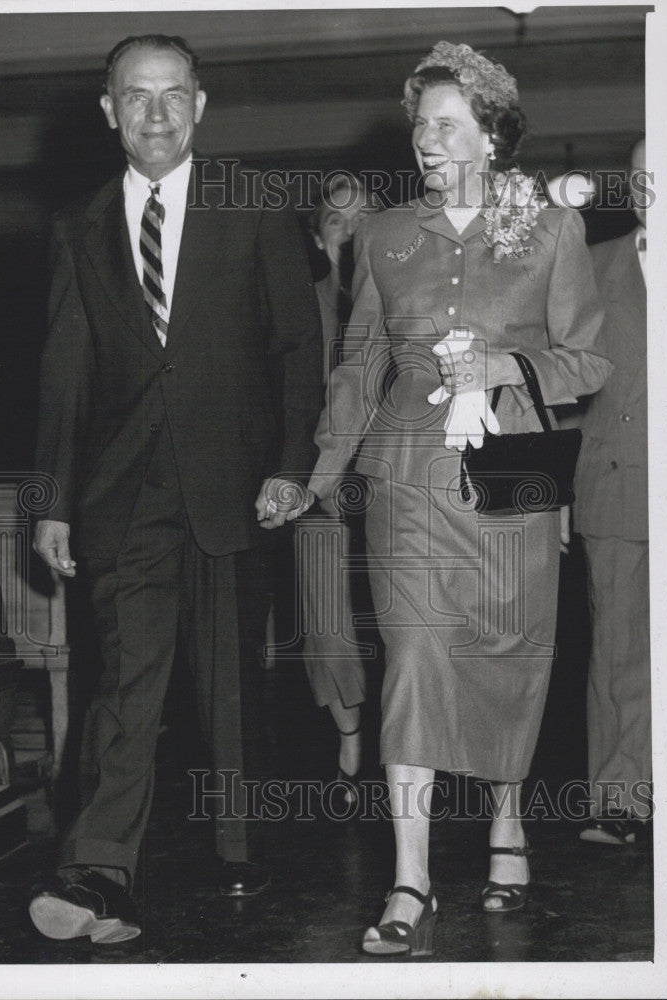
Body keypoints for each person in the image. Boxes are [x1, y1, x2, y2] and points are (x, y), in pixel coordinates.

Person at [307, 41, 612, 955]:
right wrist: (320, 475)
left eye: (445, 125)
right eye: (419, 126)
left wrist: (506, 361)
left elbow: (587, 360)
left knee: (507, 656)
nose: (425, 141)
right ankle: (411, 878)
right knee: (414, 660)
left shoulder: (551, 232)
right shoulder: (386, 235)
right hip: (406, 481)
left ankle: (508, 825)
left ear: (491, 136)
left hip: (512, 479)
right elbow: (358, 364)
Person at [29, 34, 323, 943]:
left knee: (230, 681)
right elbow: (64, 374)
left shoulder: (257, 202)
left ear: (199, 106)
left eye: (173, 96)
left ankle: (240, 844)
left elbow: (296, 348)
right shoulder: (79, 226)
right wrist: (51, 500)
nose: (155, 114)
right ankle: (100, 871)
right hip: (124, 492)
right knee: (125, 682)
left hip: (236, 484)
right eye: (136, 97)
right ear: (110, 111)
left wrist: (290, 464)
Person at [573, 137, 651, 845]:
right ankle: (620, 797)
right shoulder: (596, 267)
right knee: (620, 650)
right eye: (642, 172)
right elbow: (561, 380)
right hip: (619, 479)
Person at [297, 174, 379, 797]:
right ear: (319, 239)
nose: (348, 235)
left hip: (398, 484)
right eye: (335, 223)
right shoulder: (300, 308)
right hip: (320, 485)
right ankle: (351, 732)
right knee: (327, 614)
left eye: (361, 222)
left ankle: (413, 738)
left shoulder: (410, 298)